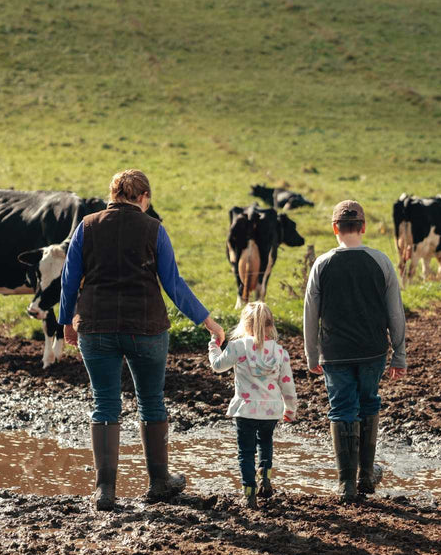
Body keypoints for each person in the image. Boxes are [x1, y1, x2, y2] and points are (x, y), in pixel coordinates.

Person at [59, 169, 225, 512]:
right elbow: (174, 284)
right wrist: (209, 323)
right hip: (147, 328)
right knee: (151, 401)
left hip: (96, 326)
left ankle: (105, 491)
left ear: (112, 195)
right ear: (144, 197)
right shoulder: (154, 229)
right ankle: (159, 482)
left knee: (104, 403)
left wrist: (66, 322)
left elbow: (69, 278)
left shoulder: (87, 226)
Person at [303, 200, 407, 503]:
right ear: (362, 227)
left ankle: (345, 483)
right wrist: (398, 352)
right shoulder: (381, 261)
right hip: (373, 350)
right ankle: (365, 476)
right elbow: (395, 313)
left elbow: (310, 314)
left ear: (335, 228)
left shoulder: (322, 264)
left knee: (341, 408)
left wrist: (312, 354)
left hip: (334, 352)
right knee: (368, 403)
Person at [208, 301, 298, 509]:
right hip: (271, 410)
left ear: (245, 325)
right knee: (265, 443)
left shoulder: (239, 347)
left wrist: (214, 345)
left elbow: (218, 366)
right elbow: (287, 385)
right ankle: (265, 478)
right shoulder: (279, 352)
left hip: (246, 409)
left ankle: (249, 494)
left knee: (245, 452)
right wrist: (290, 409)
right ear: (270, 325)